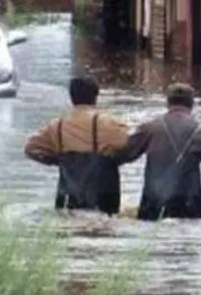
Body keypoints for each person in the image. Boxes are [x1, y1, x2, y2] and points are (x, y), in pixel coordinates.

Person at [116, 83, 201, 221]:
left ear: (168, 103)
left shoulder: (150, 129)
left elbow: (119, 156)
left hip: (152, 207)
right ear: (191, 105)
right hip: (192, 209)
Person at [24, 75, 130, 215]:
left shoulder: (57, 125)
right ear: (95, 96)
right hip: (102, 197)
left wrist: (58, 160)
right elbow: (128, 146)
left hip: (68, 196)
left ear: (71, 97)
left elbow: (30, 148)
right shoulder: (111, 124)